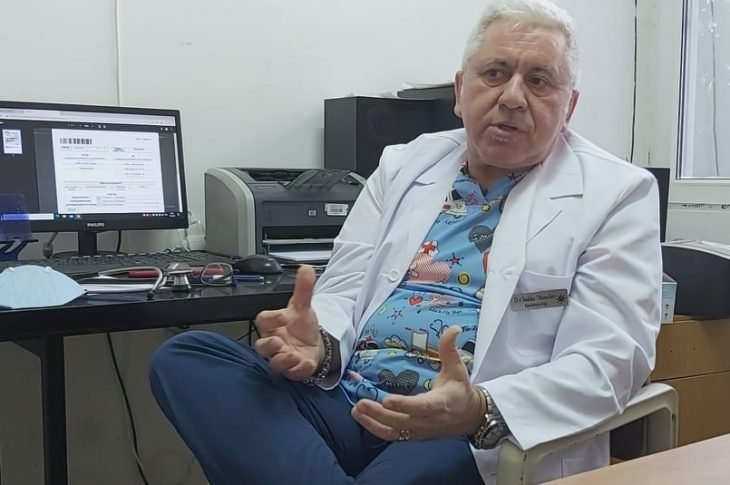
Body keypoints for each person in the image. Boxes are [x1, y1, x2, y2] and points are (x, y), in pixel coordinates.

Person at [149, 0, 662, 483]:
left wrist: (478, 408)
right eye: (495, 73)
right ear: (460, 90)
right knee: (188, 357)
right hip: (345, 398)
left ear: (569, 107)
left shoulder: (617, 193)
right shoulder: (404, 164)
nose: (511, 96)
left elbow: (609, 362)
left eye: (539, 81)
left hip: (458, 424)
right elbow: (344, 288)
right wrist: (320, 343)